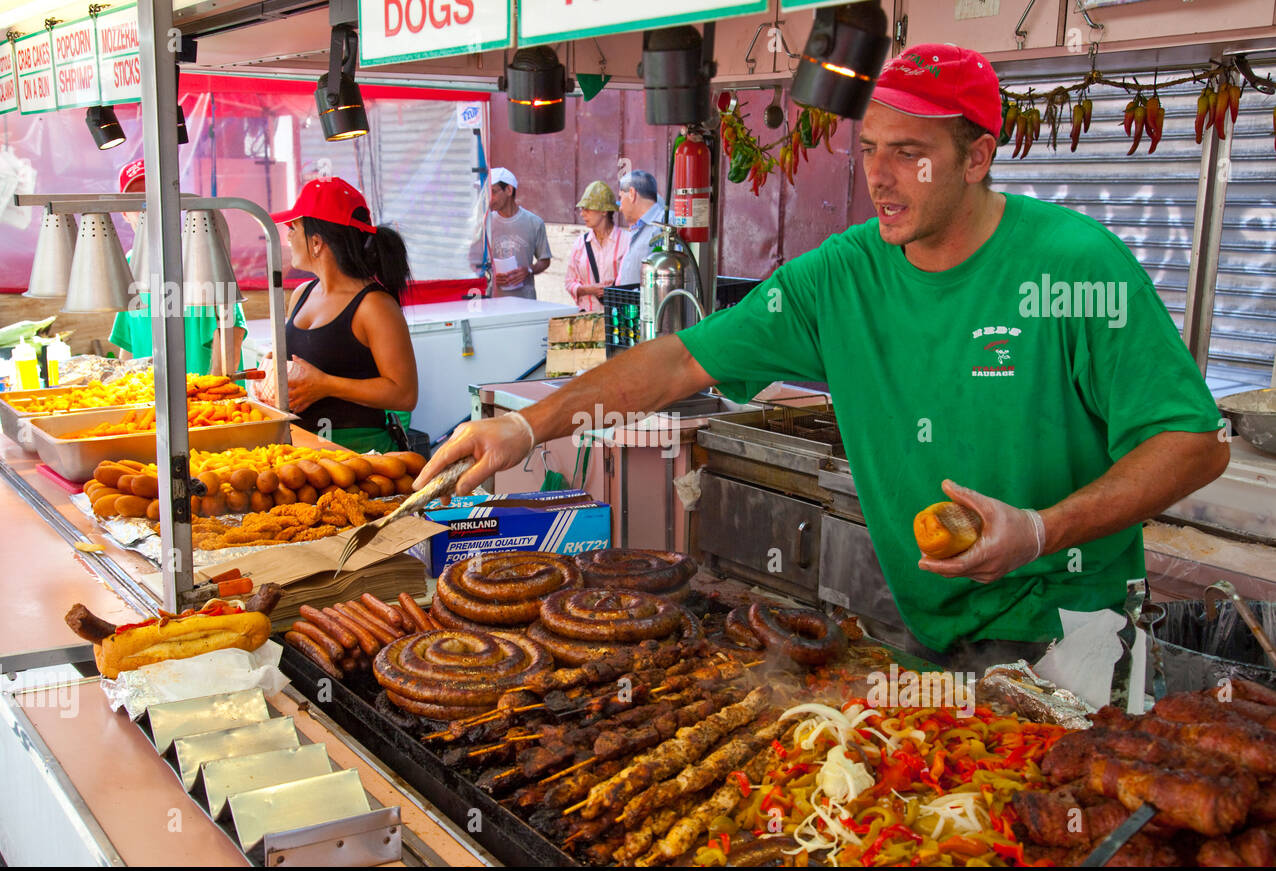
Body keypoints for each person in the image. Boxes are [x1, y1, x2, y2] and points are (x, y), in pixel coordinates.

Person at [415, 44, 1230, 663]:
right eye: (870, 148)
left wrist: (1043, 529)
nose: (881, 176)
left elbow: (1193, 444)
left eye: (911, 153)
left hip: (1072, 631)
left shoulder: (1073, 264)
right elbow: (677, 361)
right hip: (927, 624)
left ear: (979, 156)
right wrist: (526, 431)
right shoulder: (842, 275)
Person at [260, 177, 417, 454]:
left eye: (293, 227)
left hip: (360, 453)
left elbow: (404, 394)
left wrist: (326, 385)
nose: (288, 235)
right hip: (301, 447)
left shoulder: (374, 306)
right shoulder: (302, 293)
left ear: (317, 242)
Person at [109, 159, 248, 375]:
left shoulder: (202, 256)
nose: (146, 207)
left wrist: (210, 395)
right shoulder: (130, 264)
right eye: (136, 200)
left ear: (173, 204)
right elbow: (128, 345)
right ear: (124, 213)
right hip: (151, 403)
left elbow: (232, 336)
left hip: (204, 402)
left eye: (154, 196)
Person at [470, 167, 551, 298]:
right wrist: (490, 275)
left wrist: (529, 270)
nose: (489, 198)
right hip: (493, 301)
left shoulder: (535, 223)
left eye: (494, 192)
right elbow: (473, 262)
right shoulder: (484, 224)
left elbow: (545, 260)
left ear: (509, 190)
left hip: (526, 301)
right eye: (486, 193)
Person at [564, 181, 628, 312]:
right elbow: (569, 282)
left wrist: (614, 290)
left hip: (617, 319)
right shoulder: (580, 243)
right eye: (582, 209)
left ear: (604, 211)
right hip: (587, 318)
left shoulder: (627, 240)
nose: (582, 214)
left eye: (587, 209)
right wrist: (589, 290)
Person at [615, 170, 666, 286]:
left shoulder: (664, 223)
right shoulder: (637, 227)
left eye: (621, 197)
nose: (620, 208)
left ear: (632, 194)